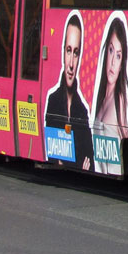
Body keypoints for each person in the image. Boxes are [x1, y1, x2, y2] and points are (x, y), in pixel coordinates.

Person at [45, 13, 93, 170]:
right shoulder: (52, 100)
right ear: (62, 52)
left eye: (76, 53)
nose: (71, 63)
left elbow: (89, 160)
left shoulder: (83, 110)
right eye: (68, 50)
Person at [91, 17, 128, 175]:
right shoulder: (101, 99)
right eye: (111, 51)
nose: (113, 62)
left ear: (122, 64)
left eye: (119, 56)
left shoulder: (119, 101)